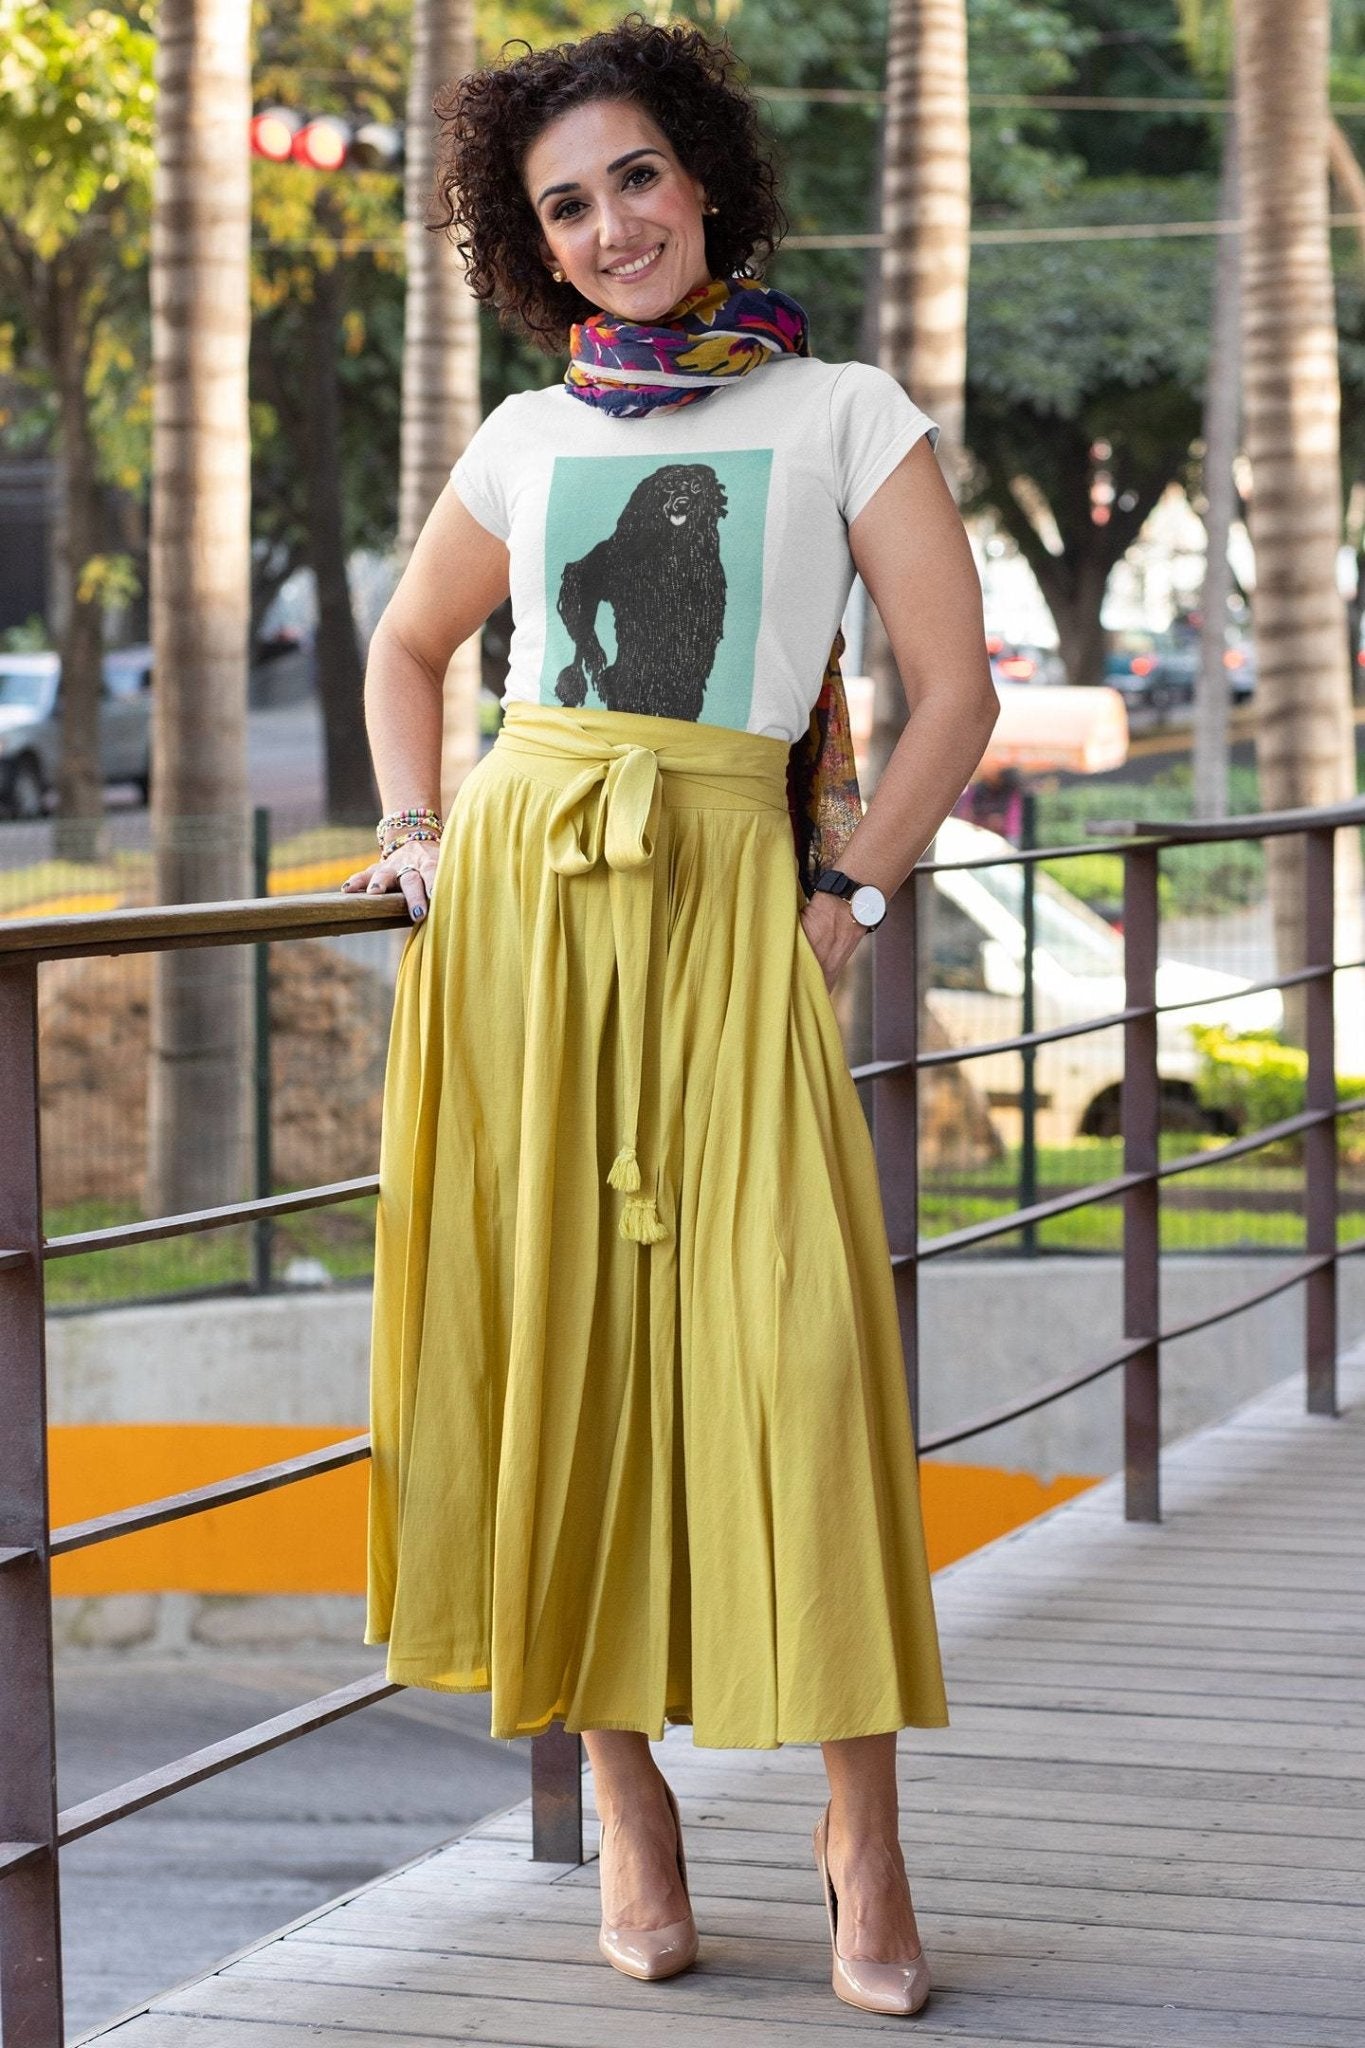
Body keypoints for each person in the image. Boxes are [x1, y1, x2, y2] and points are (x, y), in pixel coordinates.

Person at [341, 14, 998, 2019]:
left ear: (703, 178)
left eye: (635, 176)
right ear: (529, 241)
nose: (611, 225)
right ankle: (627, 1804)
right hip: (525, 918)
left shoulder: (842, 409)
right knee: (557, 1346)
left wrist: (847, 890)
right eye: (565, 204)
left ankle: (859, 1832)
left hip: (732, 911)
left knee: (795, 1355)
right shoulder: (524, 439)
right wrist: (414, 827)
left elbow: (953, 692)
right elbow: (408, 647)